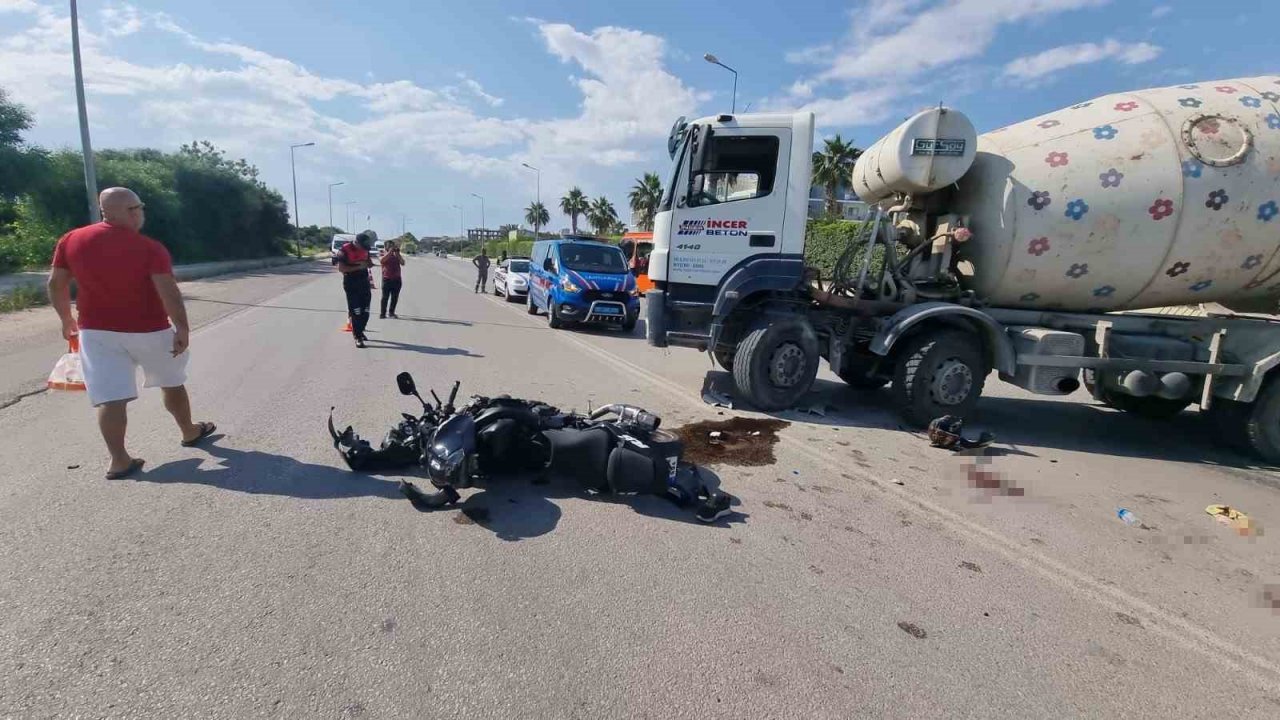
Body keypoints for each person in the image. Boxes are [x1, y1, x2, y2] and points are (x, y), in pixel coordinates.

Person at [47, 187, 217, 480]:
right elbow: (169, 292)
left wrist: (65, 320)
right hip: (149, 330)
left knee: (111, 398)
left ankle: (119, 460)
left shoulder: (71, 240)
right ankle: (189, 431)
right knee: (171, 382)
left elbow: (55, 284)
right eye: (139, 207)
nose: (141, 213)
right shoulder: (149, 248)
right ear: (131, 211)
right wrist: (183, 328)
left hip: (96, 333)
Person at [334, 232, 374, 348]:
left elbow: (369, 262)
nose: (364, 249)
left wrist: (368, 264)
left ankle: (360, 331)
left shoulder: (365, 249)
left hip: (364, 281)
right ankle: (357, 337)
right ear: (356, 243)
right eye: (362, 247)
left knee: (365, 311)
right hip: (351, 282)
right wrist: (359, 266)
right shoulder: (344, 250)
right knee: (356, 311)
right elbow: (341, 268)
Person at [379, 240, 405, 319]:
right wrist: (390, 252)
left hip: (397, 279)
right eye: (389, 246)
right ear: (385, 247)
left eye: (392, 246)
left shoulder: (396, 255)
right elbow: (382, 260)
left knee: (394, 297)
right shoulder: (382, 253)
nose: (391, 247)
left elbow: (403, 263)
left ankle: (391, 312)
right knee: (385, 297)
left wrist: (397, 254)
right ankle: (382, 313)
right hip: (387, 279)